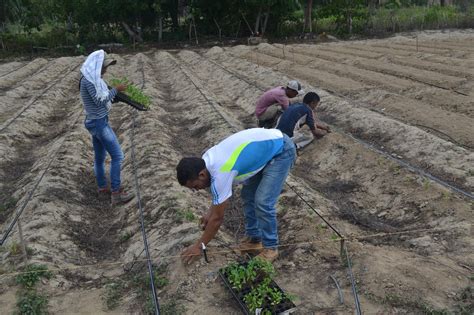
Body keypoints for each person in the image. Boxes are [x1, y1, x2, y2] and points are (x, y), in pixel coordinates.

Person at [176, 128, 296, 264]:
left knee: (263, 201)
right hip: (266, 149)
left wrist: (199, 246)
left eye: (195, 186)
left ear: (201, 175)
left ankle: (271, 248)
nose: (197, 190)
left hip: (280, 151)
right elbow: (218, 196)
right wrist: (210, 212)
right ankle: (254, 239)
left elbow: (217, 219)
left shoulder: (220, 170)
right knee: (248, 195)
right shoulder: (205, 162)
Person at [80, 50, 134, 205]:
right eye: (104, 67)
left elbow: (103, 98)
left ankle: (103, 188)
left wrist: (116, 97)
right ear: (96, 66)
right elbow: (99, 101)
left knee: (99, 158)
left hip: (96, 121)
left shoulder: (92, 79)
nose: (105, 70)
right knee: (118, 156)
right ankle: (116, 193)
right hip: (99, 123)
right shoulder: (89, 81)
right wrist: (116, 90)